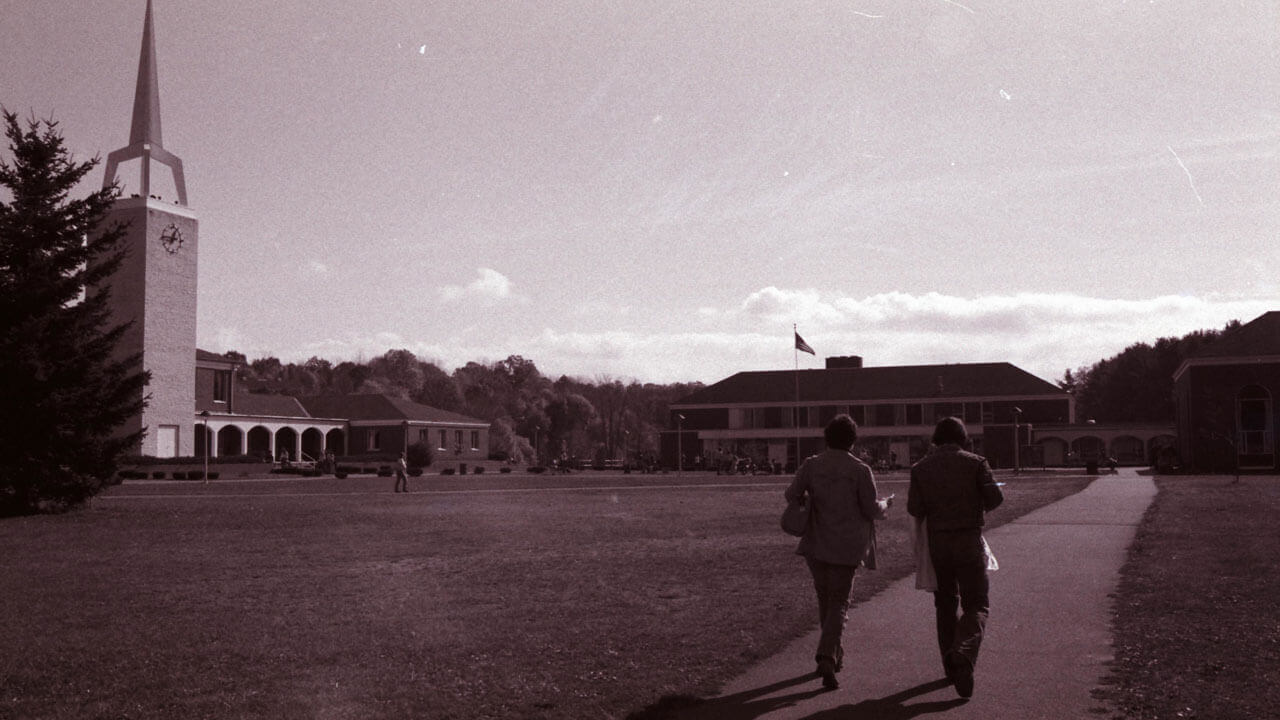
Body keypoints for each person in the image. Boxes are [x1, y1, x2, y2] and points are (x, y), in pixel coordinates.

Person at [784, 414, 893, 690]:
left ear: (826, 438)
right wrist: (886, 504)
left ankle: (833, 654)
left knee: (826, 600)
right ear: (853, 441)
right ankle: (826, 656)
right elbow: (870, 509)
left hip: (816, 542)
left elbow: (791, 494)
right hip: (848, 545)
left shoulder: (811, 465)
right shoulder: (860, 470)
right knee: (839, 602)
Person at [907, 417, 1004, 699]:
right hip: (968, 539)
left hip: (938, 543)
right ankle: (963, 652)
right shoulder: (976, 462)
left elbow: (915, 507)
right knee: (977, 603)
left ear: (936, 439)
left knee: (945, 603)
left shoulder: (921, 468)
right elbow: (995, 498)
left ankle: (950, 663)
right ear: (963, 438)